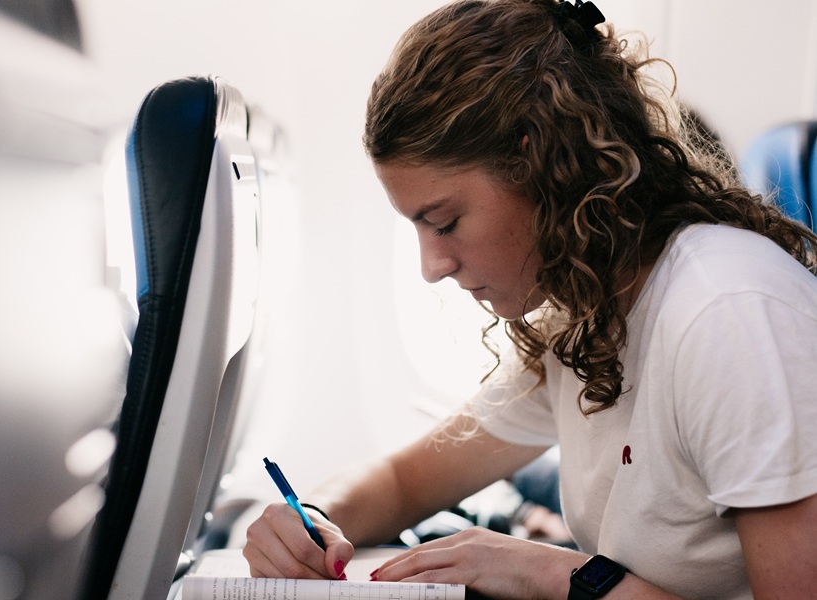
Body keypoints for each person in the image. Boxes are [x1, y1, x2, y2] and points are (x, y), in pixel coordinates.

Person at [243, 1, 817, 598]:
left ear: (540, 166)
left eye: (444, 222)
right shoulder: (591, 313)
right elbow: (403, 482)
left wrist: (554, 573)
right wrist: (310, 517)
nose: (430, 268)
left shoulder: (728, 318)